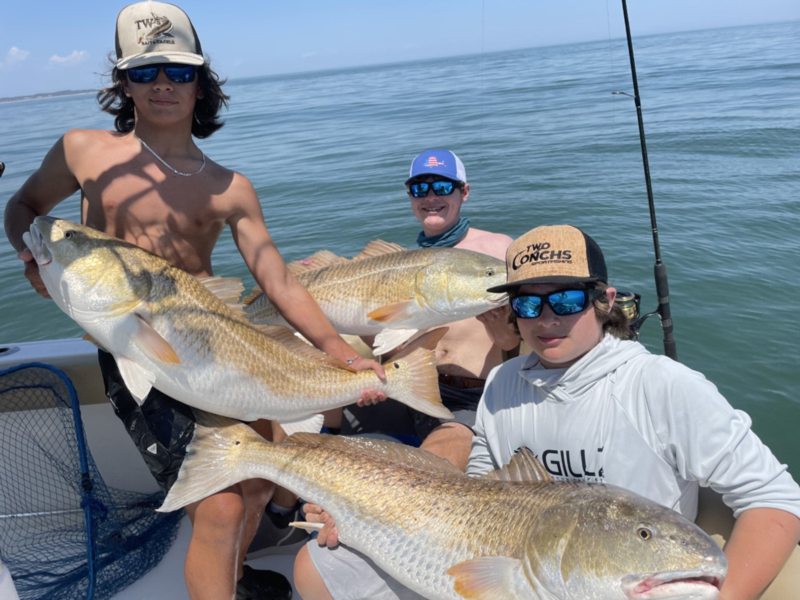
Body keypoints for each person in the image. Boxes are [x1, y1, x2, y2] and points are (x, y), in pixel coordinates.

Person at [3, 3, 386, 599]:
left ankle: (231, 579)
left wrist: (339, 351)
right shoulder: (83, 151)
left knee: (261, 474)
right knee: (221, 509)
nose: (162, 84)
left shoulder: (229, 186)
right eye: (146, 71)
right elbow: (24, 210)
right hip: (142, 351)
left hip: (219, 344)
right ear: (123, 82)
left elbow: (277, 279)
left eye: (179, 72)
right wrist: (32, 262)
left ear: (201, 83)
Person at [466, 224, 800, 600]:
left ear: (604, 300)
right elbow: (480, 481)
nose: (545, 319)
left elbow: (775, 498)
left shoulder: (663, 385)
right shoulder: (501, 380)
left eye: (567, 300)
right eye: (527, 304)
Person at [292, 149, 520, 600]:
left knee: (441, 450)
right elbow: (386, 334)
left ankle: (399, 540)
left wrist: (507, 335)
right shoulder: (405, 262)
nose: (431, 197)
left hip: (469, 399)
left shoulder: (500, 252)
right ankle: (295, 511)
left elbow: (529, 329)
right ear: (411, 196)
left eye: (442, 187)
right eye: (420, 189)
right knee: (317, 428)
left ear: (463, 192)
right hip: (407, 388)